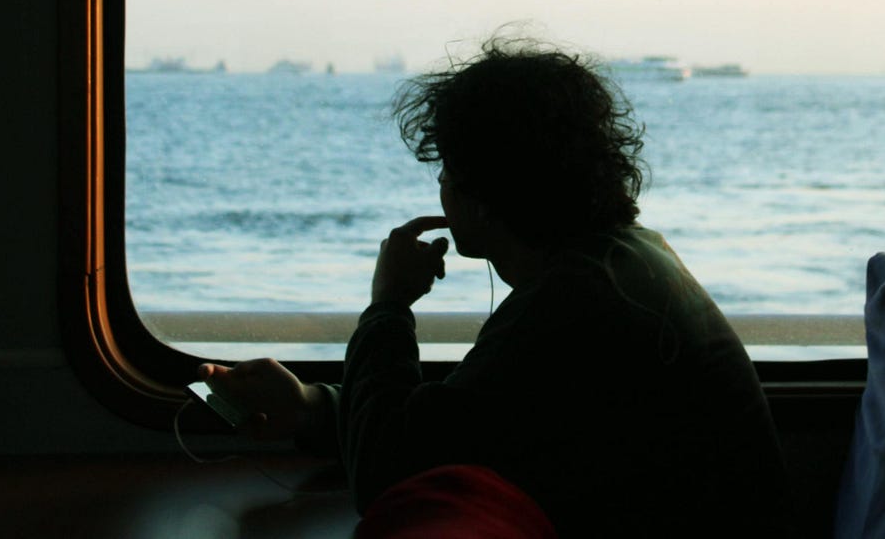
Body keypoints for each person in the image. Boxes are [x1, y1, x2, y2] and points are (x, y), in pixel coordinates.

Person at [201, 39, 789, 536]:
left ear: (486, 192)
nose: (443, 189)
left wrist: (387, 307)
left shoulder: (579, 303)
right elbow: (456, 430)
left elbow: (392, 478)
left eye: (449, 172)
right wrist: (311, 409)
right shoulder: (621, 263)